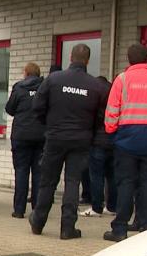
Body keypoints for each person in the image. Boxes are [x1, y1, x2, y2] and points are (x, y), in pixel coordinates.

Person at [28, 44, 108, 239]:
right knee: (73, 182)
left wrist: (49, 124)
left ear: (70, 57)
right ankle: (67, 228)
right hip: (81, 140)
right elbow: (101, 117)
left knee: (48, 181)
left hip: (55, 137)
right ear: (87, 60)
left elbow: (37, 106)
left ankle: (38, 222)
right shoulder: (96, 86)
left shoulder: (53, 80)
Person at [102, 44, 147, 242]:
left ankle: (120, 229)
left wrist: (113, 134)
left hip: (126, 140)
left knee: (126, 183)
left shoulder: (122, 80)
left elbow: (111, 112)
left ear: (129, 59)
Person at [5, 62, 45, 219]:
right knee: (38, 173)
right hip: (41, 136)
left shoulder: (19, 88)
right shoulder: (45, 87)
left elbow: (9, 109)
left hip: (21, 136)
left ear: (26, 73)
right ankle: (36, 209)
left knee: (21, 171)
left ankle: (19, 210)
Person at [83, 75, 117, 217]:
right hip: (114, 140)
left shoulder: (93, 95)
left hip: (97, 141)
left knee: (96, 175)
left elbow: (90, 119)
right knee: (112, 176)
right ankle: (112, 207)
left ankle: (96, 207)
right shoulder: (114, 92)